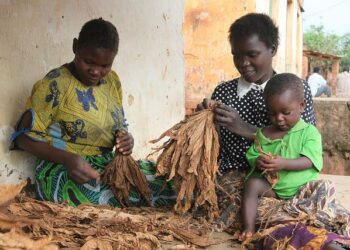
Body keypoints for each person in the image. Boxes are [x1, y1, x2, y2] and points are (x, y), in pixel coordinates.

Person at [10, 18, 175, 207]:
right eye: (89, 62)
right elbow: (22, 138)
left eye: (105, 66)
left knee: (166, 182)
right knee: (97, 194)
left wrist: (126, 140)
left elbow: (119, 125)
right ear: (75, 47)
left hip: (105, 165)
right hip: (63, 168)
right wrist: (69, 159)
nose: (96, 72)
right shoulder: (55, 83)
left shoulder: (112, 82)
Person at [240, 73, 323, 240]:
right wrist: (258, 160)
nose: (279, 118)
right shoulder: (263, 133)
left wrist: (284, 163)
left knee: (323, 188)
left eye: (286, 112)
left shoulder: (309, 133)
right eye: (272, 113)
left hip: (302, 192)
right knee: (251, 184)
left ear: (301, 106)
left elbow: (309, 161)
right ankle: (248, 228)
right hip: (274, 191)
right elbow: (252, 154)